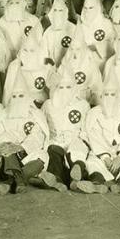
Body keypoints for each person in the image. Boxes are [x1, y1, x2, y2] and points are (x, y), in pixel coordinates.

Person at [0, 71, 50, 195]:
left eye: (21, 96)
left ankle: (9, 182)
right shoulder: (3, 114)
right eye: (14, 96)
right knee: (8, 153)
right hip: (7, 154)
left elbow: (38, 136)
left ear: (27, 96)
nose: (17, 99)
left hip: (27, 152)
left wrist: (21, 147)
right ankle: (21, 182)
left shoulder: (35, 114)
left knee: (42, 157)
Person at [82, 71, 120, 194]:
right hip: (102, 152)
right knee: (92, 162)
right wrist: (105, 157)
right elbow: (94, 136)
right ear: (102, 96)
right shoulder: (94, 113)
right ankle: (97, 183)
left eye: (113, 94)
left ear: (119, 96)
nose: (109, 98)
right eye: (106, 94)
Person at [41, 64, 89, 193]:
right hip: (56, 140)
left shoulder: (82, 105)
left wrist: (83, 140)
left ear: (74, 87)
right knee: (54, 153)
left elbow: (86, 127)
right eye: (61, 87)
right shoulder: (48, 105)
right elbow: (42, 126)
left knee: (77, 152)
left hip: (75, 139)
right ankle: (57, 180)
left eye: (68, 87)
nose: (64, 90)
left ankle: (76, 177)